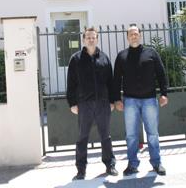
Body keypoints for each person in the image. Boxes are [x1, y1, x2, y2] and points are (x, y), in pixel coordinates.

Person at [112, 24, 168, 176]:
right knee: (131, 135)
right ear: (127, 37)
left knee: (152, 133)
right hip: (130, 101)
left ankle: (156, 163)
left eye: (136, 33)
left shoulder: (151, 53)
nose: (134, 36)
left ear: (140, 35)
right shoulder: (122, 56)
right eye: (131, 34)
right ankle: (132, 164)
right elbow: (116, 79)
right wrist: (116, 99)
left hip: (149, 100)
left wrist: (164, 94)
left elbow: (161, 74)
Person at [66, 27, 118, 180]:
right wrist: (72, 103)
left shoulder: (104, 58)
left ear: (97, 39)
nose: (90, 39)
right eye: (88, 37)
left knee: (106, 136)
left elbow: (111, 81)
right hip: (84, 104)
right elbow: (71, 83)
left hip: (103, 103)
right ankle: (81, 170)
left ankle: (110, 165)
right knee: (83, 137)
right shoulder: (76, 59)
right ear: (83, 39)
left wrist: (112, 101)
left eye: (93, 37)